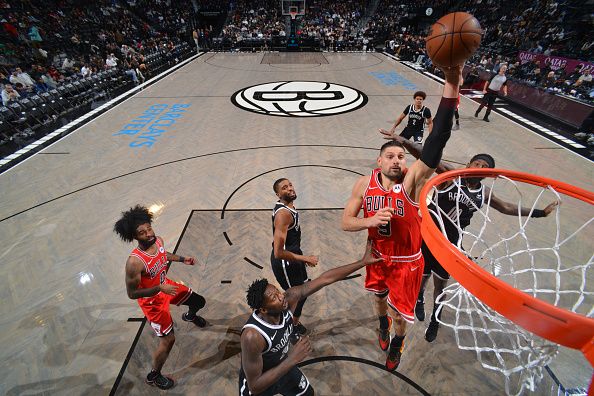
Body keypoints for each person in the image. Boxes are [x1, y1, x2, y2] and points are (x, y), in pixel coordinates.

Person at [342, 64, 463, 371]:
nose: (397, 160)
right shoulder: (363, 183)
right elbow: (346, 222)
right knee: (380, 302)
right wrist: (368, 222)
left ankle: (397, 343)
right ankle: (381, 325)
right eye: (391, 156)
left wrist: (450, 87)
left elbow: (437, 142)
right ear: (379, 160)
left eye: (401, 156)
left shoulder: (411, 182)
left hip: (408, 262)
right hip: (377, 256)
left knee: (400, 315)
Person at [380, 135, 558, 342]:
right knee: (423, 276)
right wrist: (403, 141)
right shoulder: (450, 176)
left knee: (440, 285)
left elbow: (507, 207)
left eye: (484, 166)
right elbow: (428, 157)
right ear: (468, 165)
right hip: (428, 235)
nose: (479, 166)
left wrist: (540, 213)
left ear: (487, 174)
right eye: (477, 163)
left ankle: (435, 320)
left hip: (450, 243)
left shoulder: (484, 192)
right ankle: (419, 299)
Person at [240, 243, 381, 395]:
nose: (281, 296)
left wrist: (362, 262)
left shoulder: (289, 298)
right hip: (263, 383)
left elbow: (325, 279)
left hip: (282, 368)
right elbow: (255, 386)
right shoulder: (252, 336)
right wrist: (292, 359)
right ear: (263, 309)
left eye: (278, 291)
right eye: (274, 297)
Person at [114, 205, 208, 390]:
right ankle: (154, 375)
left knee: (199, 301)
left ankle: (190, 315)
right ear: (134, 237)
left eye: (149, 228)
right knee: (169, 340)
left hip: (166, 286)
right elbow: (132, 294)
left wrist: (182, 259)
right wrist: (158, 288)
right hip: (153, 303)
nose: (149, 234)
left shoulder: (158, 241)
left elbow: (164, 256)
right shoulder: (134, 262)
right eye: (142, 233)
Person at [271, 178, 319, 335]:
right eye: (285, 188)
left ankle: (293, 322)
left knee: (303, 292)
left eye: (290, 184)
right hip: (285, 262)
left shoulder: (288, 207)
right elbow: (278, 252)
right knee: (295, 296)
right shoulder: (283, 214)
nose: (290, 188)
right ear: (278, 194)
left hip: (293, 256)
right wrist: (305, 258)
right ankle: (288, 326)